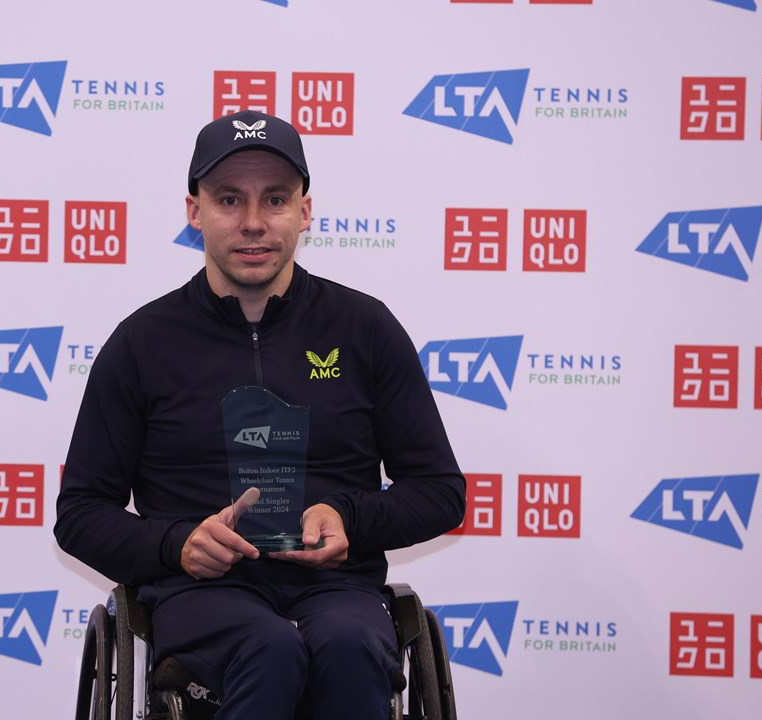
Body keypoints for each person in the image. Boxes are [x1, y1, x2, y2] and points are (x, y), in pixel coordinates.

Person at [55, 110, 465, 720]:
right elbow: (81, 515)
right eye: (228, 199)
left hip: (337, 589)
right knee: (268, 648)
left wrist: (347, 516)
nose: (252, 223)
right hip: (202, 595)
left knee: (348, 644)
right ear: (194, 211)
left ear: (304, 211)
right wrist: (178, 544)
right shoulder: (142, 343)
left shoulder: (365, 329)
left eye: (275, 199)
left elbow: (440, 493)